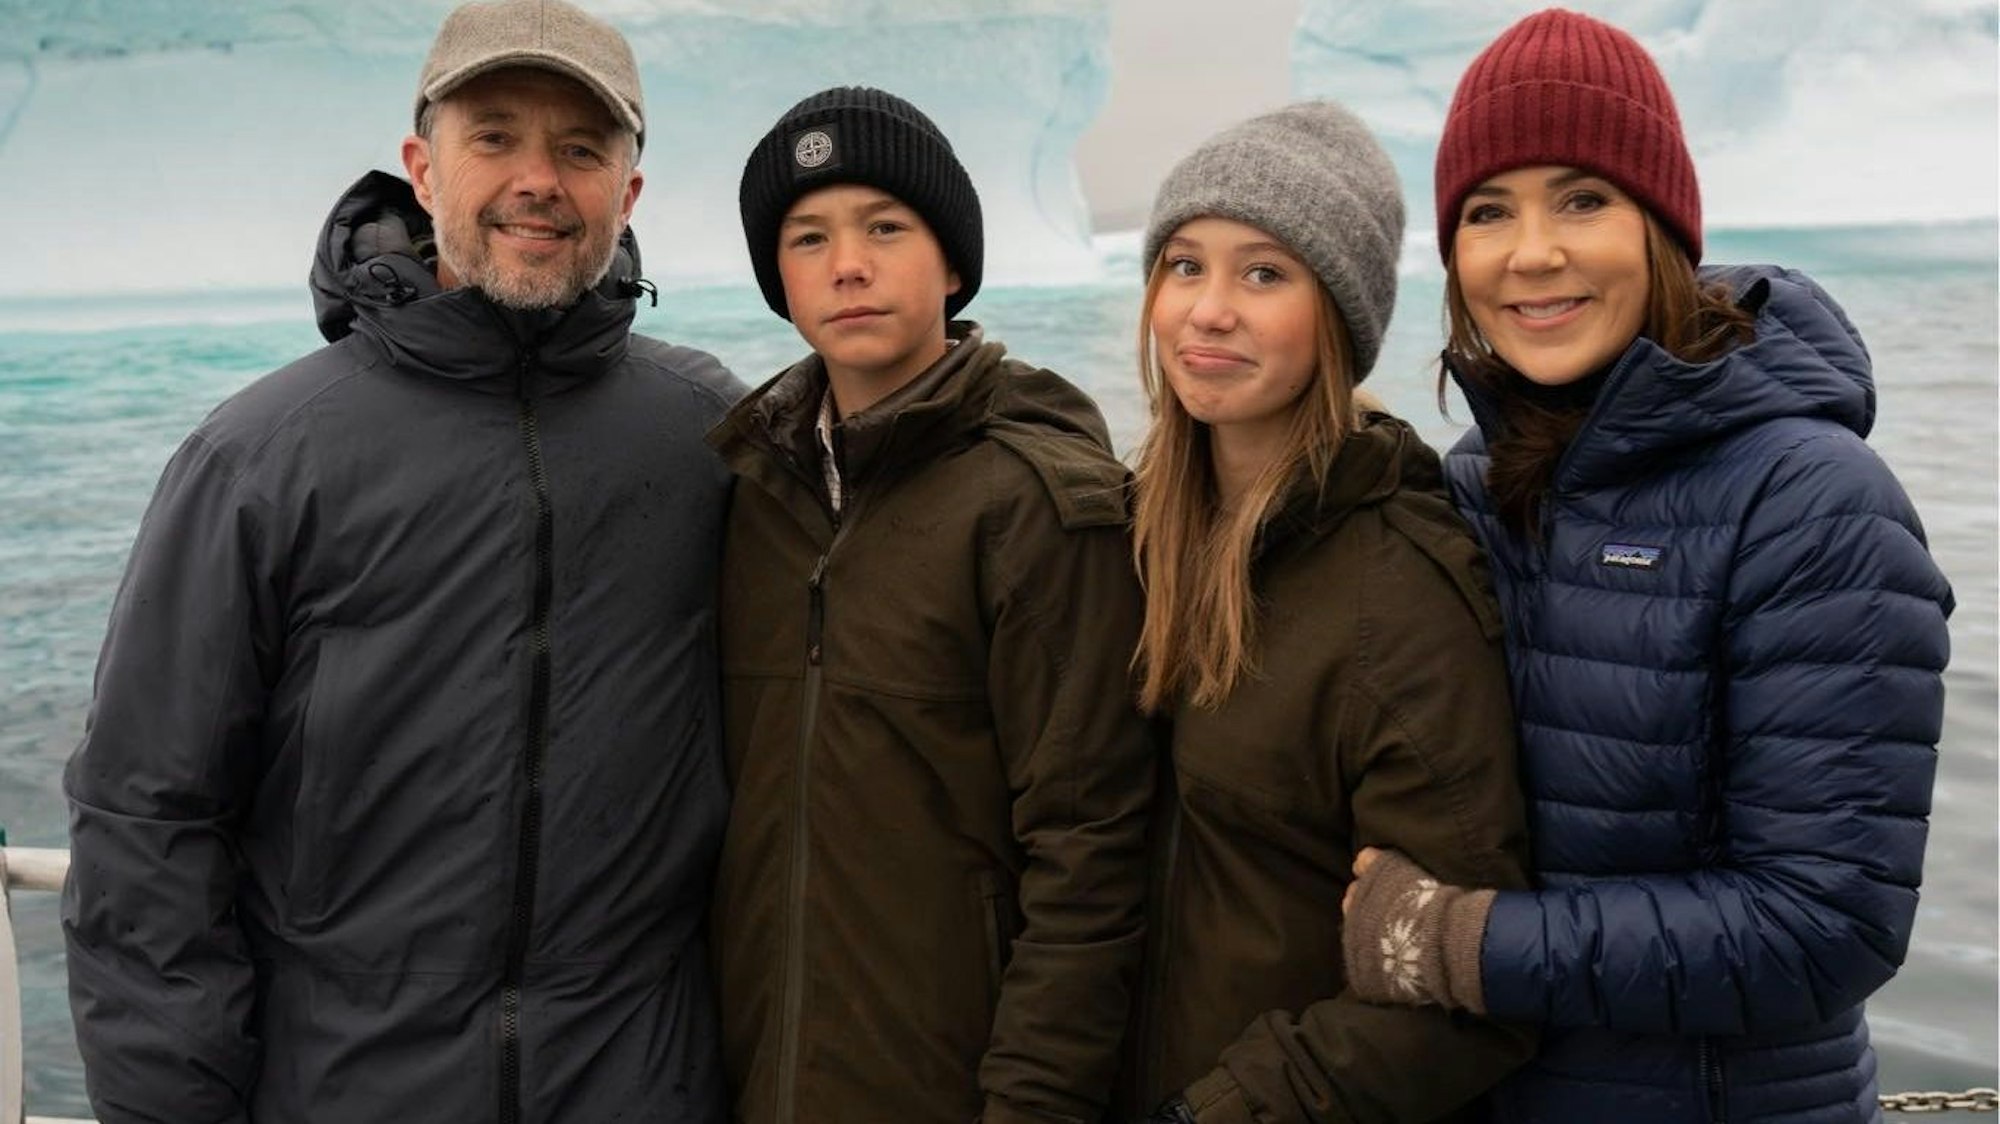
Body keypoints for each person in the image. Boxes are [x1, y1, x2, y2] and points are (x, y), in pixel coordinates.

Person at [61, 2, 742, 1120]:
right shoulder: (263, 456)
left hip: (637, 1083)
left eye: (581, 149)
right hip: (347, 1087)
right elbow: (149, 817)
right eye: (494, 138)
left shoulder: (704, 433)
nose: (538, 179)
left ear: (627, 194)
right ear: (423, 170)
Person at [1338, 9, 1957, 1123]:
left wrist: (1453, 939)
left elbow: (1825, 924)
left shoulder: (1808, 500)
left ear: (1659, 225)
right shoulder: (1477, 478)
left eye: (1581, 198)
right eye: (1487, 211)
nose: (1531, 252)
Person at [706, 86, 1154, 1124]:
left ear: (951, 263)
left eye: (883, 228)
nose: (845, 264)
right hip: (752, 1070)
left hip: (950, 1082)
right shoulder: (748, 491)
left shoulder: (1036, 502)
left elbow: (1089, 853)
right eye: (807, 236)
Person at [1121, 101, 1537, 1124]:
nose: (1208, 309)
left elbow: (1463, 991)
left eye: (1262, 273)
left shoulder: (1397, 590)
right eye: (1184, 265)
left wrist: (1214, 1112)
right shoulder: (1134, 532)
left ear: (1338, 319)